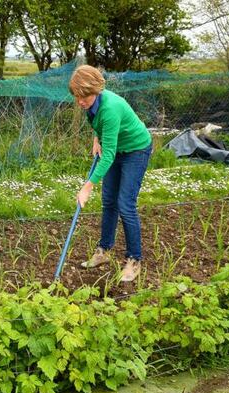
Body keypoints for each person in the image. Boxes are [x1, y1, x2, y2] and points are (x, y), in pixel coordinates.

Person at [71, 65, 152, 283]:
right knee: (109, 202)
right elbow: (98, 125)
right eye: (77, 96)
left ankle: (134, 260)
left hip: (136, 149)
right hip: (115, 148)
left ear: (96, 89)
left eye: (84, 96)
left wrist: (87, 186)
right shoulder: (91, 104)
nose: (80, 101)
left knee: (125, 203)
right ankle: (103, 251)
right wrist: (97, 139)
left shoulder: (110, 108)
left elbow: (108, 156)